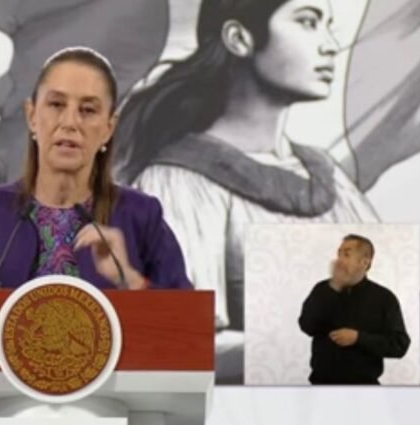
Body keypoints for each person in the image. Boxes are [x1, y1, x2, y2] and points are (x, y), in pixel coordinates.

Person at [112, 0, 379, 383]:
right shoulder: (177, 183)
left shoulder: (330, 178)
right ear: (239, 38)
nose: (330, 44)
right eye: (307, 22)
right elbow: (172, 343)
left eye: (329, 25)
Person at [0, 47, 192, 291]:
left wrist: (130, 279)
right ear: (32, 116)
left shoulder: (141, 217)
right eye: (56, 105)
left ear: (108, 128)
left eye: (88, 110)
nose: (70, 122)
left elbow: (187, 326)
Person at [298, 234, 411, 385]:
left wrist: (359, 338)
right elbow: (306, 326)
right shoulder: (322, 289)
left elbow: (399, 345)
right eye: (339, 253)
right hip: (321, 386)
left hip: (364, 389)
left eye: (346, 254)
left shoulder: (384, 298)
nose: (339, 260)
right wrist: (334, 287)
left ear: (364, 262)